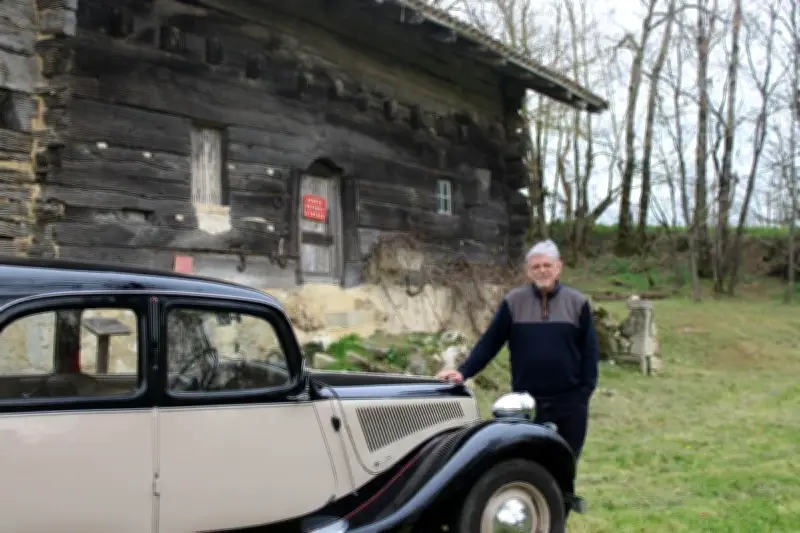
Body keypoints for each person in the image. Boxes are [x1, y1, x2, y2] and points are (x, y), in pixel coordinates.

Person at [436, 239, 599, 508]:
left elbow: (591, 355)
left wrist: (584, 394)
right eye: (536, 266)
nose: (542, 271)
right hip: (526, 403)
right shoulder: (514, 302)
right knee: (528, 465)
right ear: (528, 271)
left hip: (570, 402)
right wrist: (463, 372)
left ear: (559, 268)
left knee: (565, 464)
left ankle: (559, 516)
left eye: (548, 265)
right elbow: (490, 342)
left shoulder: (578, 303)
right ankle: (529, 513)